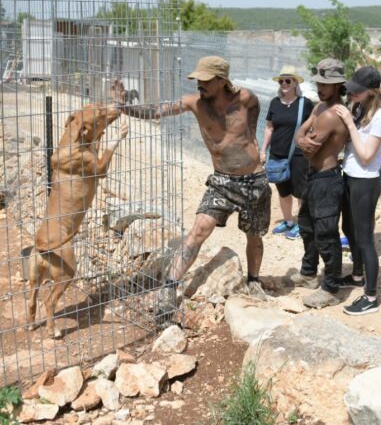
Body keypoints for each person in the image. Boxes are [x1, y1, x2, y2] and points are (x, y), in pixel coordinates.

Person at [112, 55, 271, 322]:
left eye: (206, 80)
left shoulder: (246, 99)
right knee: (198, 230)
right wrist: (124, 106)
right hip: (222, 182)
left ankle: (254, 281)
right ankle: (168, 289)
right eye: (198, 79)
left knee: (254, 235)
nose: (199, 84)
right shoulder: (194, 103)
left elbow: (252, 127)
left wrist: (253, 151)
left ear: (222, 81)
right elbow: (157, 111)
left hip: (254, 181)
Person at [292, 58, 349, 309]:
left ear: (337, 86)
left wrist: (302, 139)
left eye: (325, 83)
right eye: (318, 82)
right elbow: (299, 136)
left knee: (326, 233)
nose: (320, 87)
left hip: (327, 179)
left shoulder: (331, 114)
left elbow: (309, 150)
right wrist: (301, 138)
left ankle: (331, 287)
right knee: (306, 226)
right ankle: (308, 273)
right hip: (313, 177)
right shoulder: (318, 108)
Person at [334, 66, 381, 316]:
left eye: (357, 91)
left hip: (366, 180)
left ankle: (370, 296)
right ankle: (357, 275)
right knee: (348, 229)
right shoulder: (359, 108)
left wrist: (348, 121)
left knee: (365, 237)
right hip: (350, 175)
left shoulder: (380, 116)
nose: (351, 94)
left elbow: (367, 156)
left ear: (372, 91)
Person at [260, 65, 314, 239]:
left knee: (300, 191)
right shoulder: (275, 103)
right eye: (282, 80)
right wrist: (263, 150)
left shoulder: (305, 103)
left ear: (295, 83)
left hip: (299, 156)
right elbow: (269, 128)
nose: (284, 83)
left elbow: (313, 127)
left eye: (288, 80)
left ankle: (302, 224)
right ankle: (288, 221)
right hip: (277, 154)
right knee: (283, 191)